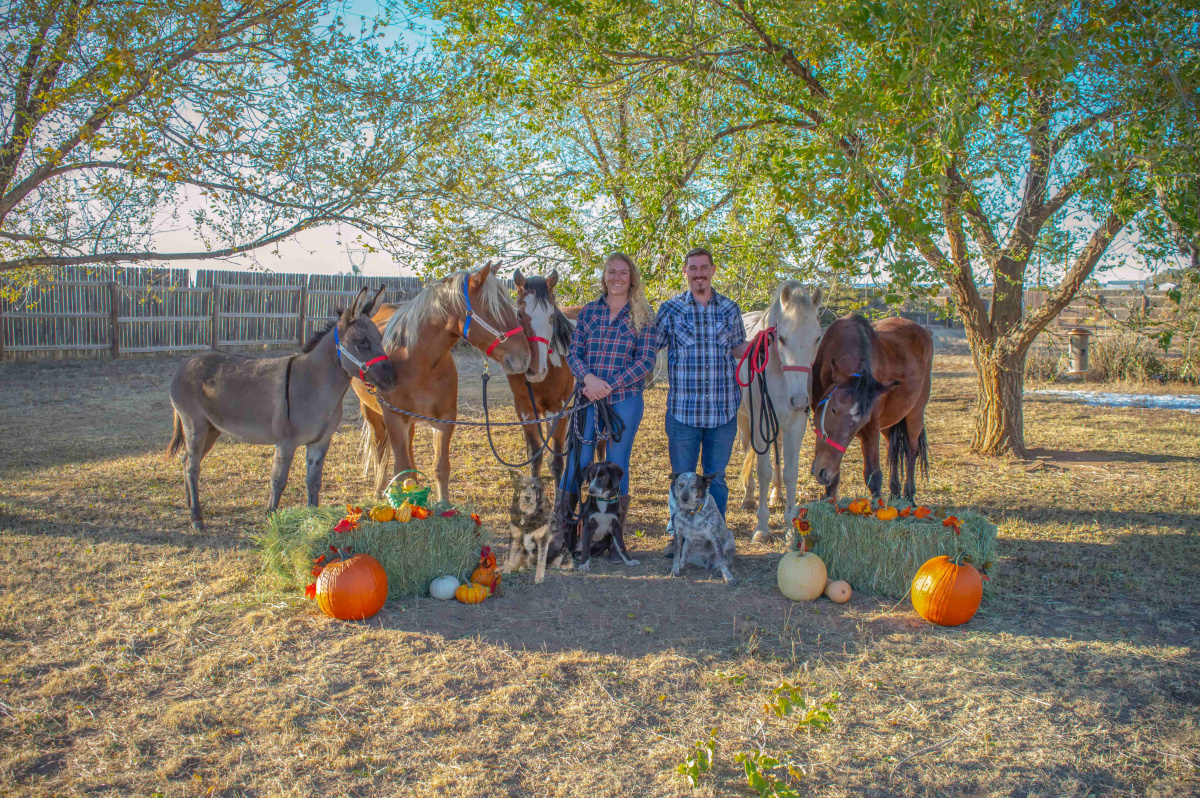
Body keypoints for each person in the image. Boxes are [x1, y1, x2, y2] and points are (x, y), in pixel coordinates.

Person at [655, 247, 749, 555]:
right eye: (693, 268)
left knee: (716, 478)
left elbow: (737, 348)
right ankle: (679, 538)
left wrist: (766, 344)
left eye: (704, 268)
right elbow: (650, 347)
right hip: (684, 412)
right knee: (682, 480)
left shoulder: (730, 309)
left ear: (712, 270)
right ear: (685, 273)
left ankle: (712, 538)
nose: (699, 273)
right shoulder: (669, 310)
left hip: (722, 411)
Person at [560, 251, 658, 532]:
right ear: (604, 276)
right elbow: (573, 353)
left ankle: (610, 535)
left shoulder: (643, 316)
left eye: (623, 273)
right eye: (611, 272)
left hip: (624, 399)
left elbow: (645, 361)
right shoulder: (590, 312)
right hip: (587, 398)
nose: (617, 277)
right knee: (579, 459)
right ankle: (565, 529)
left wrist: (608, 385)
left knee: (616, 463)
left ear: (632, 279)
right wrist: (589, 379)